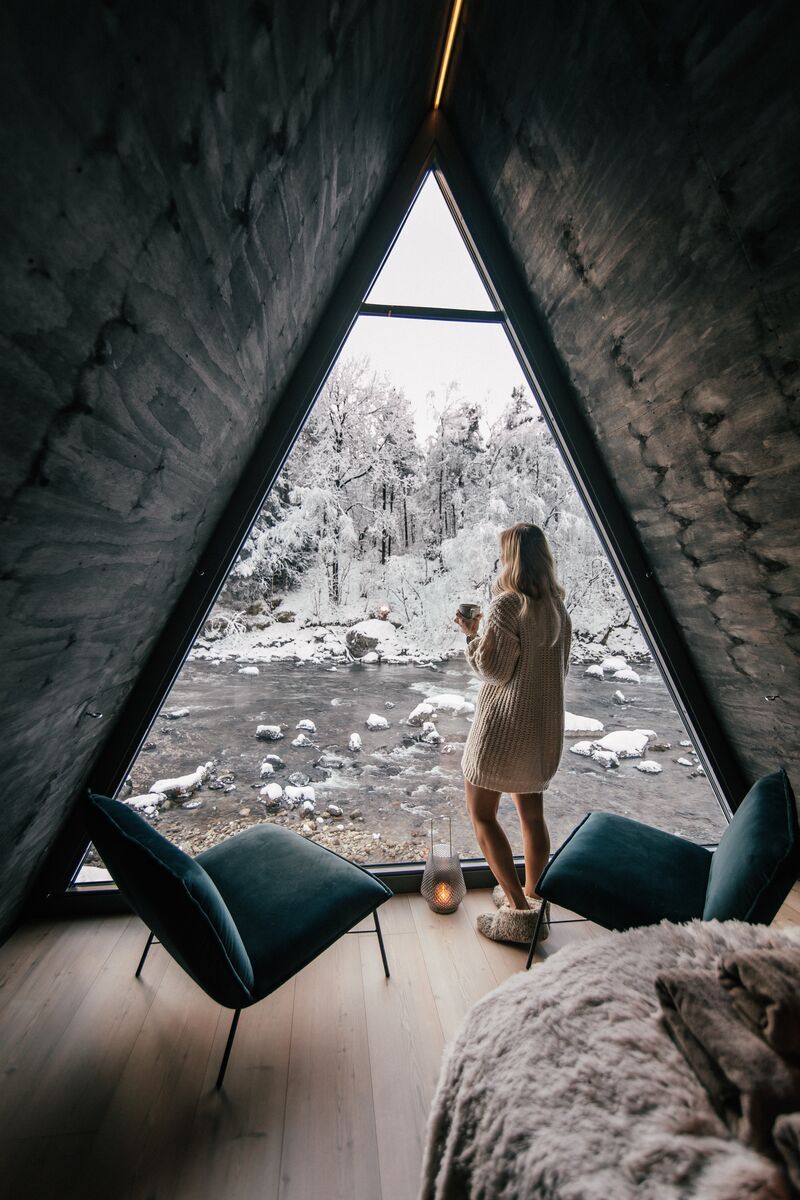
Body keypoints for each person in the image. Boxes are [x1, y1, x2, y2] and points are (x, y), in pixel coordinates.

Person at [455, 522, 571, 944]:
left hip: (502, 732)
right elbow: (561, 670)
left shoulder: (507, 605)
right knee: (532, 818)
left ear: (514, 558)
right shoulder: (558, 608)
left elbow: (494, 670)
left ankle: (519, 916)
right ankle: (532, 898)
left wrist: (472, 636)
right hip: (541, 733)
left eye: (504, 553)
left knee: (482, 815)